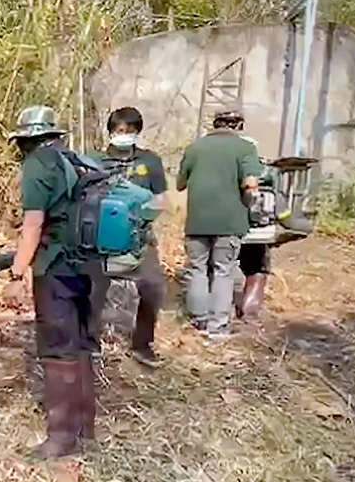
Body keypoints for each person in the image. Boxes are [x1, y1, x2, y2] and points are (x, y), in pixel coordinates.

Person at [4, 105, 97, 459]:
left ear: (26, 140)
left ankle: (60, 437)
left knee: (58, 348)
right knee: (81, 343)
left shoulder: (36, 166)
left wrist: (16, 274)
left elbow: (32, 225)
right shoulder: (75, 160)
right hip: (89, 265)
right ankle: (86, 426)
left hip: (56, 267)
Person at [87, 107, 167, 368]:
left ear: (137, 132)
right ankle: (89, 343)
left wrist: (145, 213)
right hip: (100, 237)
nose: (124, 135)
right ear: (110, 131)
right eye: (120, 130)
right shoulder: (93, 161)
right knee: (92, 289)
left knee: (153, 287)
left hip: (138, 236)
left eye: (130, 131)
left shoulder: (149, 162)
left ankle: (143, 345)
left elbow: (161, 199)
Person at [176, 110, 262, 338]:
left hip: (197, 222)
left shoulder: (194, 147)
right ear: (238, 125)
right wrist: (253, 206)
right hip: (230, 223)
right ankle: (218, 326)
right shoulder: (246, 148)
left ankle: (199, 320)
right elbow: (251, 184)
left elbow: (180, 184)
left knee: (197, 269)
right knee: (223, 271)